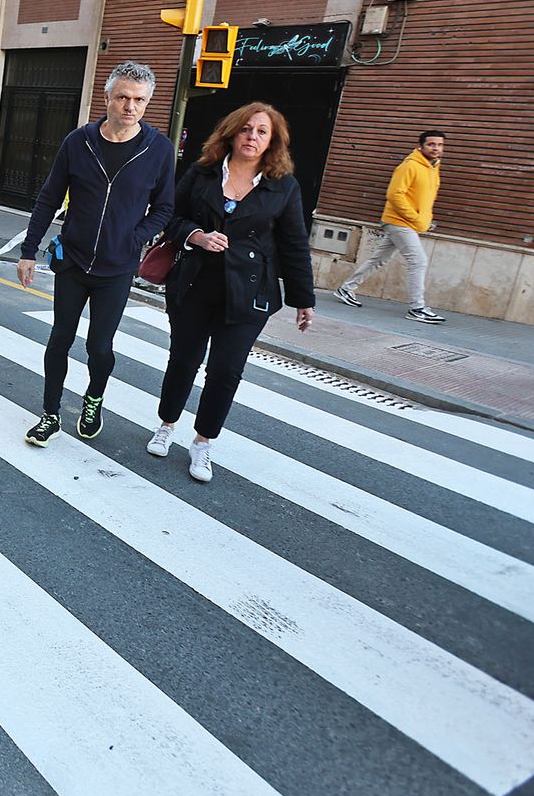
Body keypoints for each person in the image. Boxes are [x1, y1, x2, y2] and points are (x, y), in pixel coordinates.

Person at [148, 102, 315, 483]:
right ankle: (167, 423)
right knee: (184, 359)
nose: (251, 137)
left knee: (225, 371)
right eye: (245, 129)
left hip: (249, 292)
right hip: (194, 283)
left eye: (261, 132)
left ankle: (203, 441)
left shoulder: (283, 186)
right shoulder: (202, 172)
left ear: (273, 142)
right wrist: (196, 236)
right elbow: (169, 215)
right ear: (231, 132)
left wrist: (303, 298)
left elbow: (293, 243)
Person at [17, 60, 175, 446]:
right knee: (60, 339)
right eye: (123, 97)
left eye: (139, 100)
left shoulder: (158, 149)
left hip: (117, 269)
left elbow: (166, 208)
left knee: (99, 347)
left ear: (147, 103)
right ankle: (50, 414)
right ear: (107, 97)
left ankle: (94, 399)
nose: (130, 106)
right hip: (72, 261)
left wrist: (133, 238)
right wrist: (28, 251)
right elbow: (49, 197)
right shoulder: (79, 141)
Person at [334, 131, 447, 324]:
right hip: (399, 221)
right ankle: (417, 308)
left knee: (378, 259)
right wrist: (417, 219)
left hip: (410, 223)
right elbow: (395, 195)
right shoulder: (410, 165)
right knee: (418, 261)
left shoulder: (433, 168)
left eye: (439, 145)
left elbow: (424, 199)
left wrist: (426, 221)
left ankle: (346, 288)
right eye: (431, 144)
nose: (436, 148)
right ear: (421, 146)